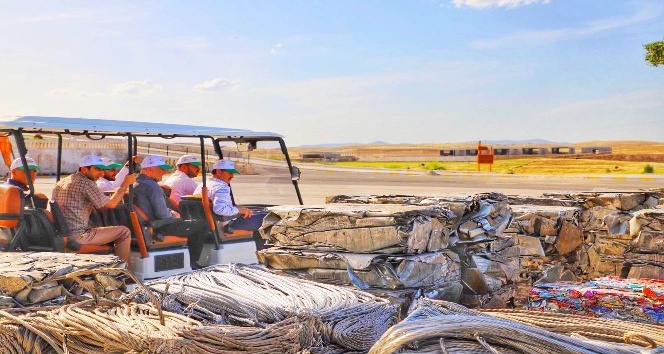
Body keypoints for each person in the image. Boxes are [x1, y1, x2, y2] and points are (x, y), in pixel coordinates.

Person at [51, 155, 137, 265]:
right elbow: (111, 204)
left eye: (102, 169)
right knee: (124, 232)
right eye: (97, 169)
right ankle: (122, 271)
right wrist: (126, 184)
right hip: (79, 235)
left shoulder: (62, 182)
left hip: (63, 234)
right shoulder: (86, 183)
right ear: (84, 169)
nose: (101, 173)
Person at [133, 155, 207, 268]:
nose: (164, 172)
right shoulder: (152, 186)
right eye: (161, 169)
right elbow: (163, 215)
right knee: (201, 225)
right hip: (160, 226)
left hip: (147, 226)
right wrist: (175, 215)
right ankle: (192, 263)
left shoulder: (135, 183)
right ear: (149, 170)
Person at [194, 159, 268, 250]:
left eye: (232, 173)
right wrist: (240, 210)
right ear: (218, 171)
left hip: (211, 223)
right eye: (229, 172)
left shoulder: (202, 185)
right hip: (228, 223)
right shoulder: (221, 187)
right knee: (267, 218)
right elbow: (220, 209)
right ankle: (263, 254)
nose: (232, 176)